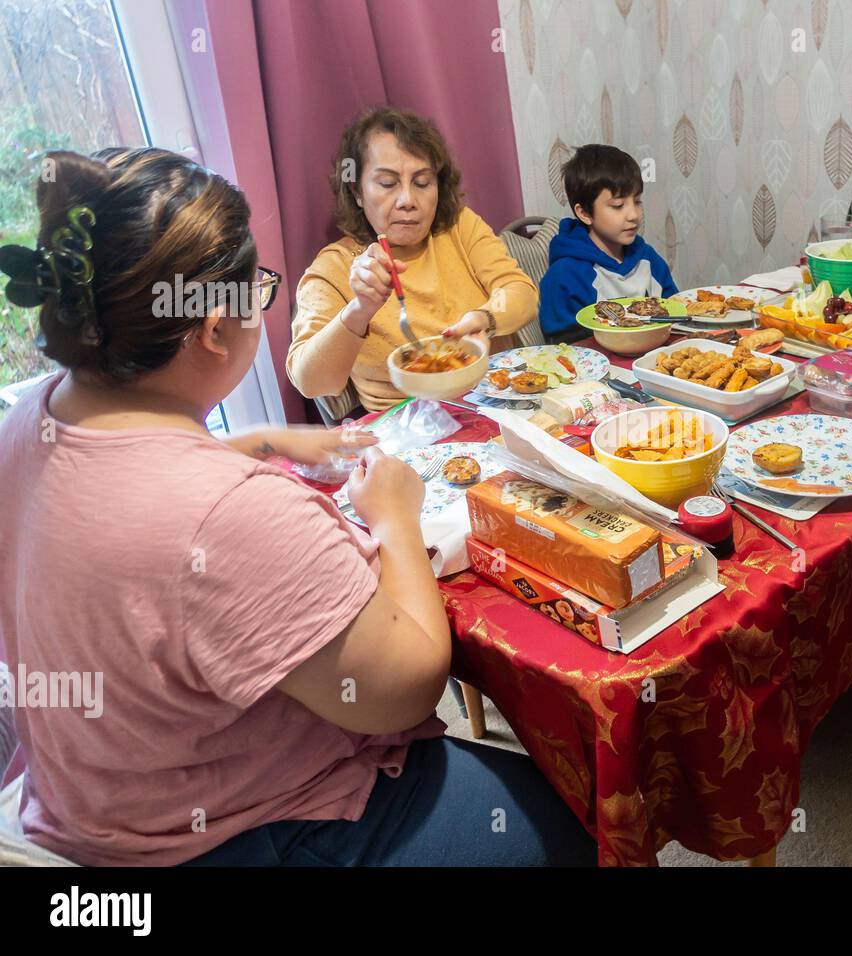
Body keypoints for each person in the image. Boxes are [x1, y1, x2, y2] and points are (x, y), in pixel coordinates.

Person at [0, 147, 593, 866]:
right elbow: (406, 687)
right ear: (215, 330)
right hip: (237, 837)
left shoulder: (27, 419)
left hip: (93, 804)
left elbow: (129, 498)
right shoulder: (232, 513)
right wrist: (395, 518)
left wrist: (254, 439)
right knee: (572, 811)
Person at [287, 107, 539, 413]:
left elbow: (521, 292)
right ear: (356, 191)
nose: (408, 200)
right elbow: (311, 381)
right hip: (408, 428)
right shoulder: (332, 268)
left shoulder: (460, 226)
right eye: (387, 184)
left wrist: (484, 320)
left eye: (422, 183)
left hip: (496, 399)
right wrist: (360, 309)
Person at [538, 143, 678, 341]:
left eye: (637, 202)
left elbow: (675, 310)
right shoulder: (565, 275)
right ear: (584, 213)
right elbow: (562, 344)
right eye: (618, 205)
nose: (634, 215)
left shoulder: (647, 258)